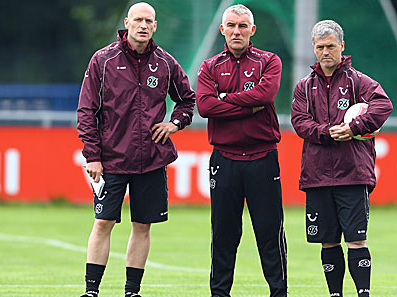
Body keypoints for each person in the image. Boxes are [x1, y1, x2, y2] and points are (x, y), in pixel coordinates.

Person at [76, 2, 195, 297]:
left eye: (149, 21)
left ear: (155, 26)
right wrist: (92, 155)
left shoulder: (165, 62)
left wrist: (175, 124)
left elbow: (187, 100)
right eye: (138, 20)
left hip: (151, 160)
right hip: (112, 160)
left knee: (143, 226)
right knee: (103, 223)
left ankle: (132, 292)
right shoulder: (102, 60)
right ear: (127, 22)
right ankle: (92, 292)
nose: (143, 25)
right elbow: (86, 110)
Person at [291, 20, 392, 297]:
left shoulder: (358, 81)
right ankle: (335, 294)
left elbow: (384, 104)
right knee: (327, 242)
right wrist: (329, 132)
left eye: (331, 46)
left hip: (353, 174)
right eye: (320, 46)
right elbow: (299, 123)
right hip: (317, 175)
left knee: (357, 240)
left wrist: (354, 128)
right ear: (313, 48)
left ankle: (363, 293)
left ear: (342, 46)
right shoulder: (304, 86)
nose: (326, 52)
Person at [196, 4, 287, 297]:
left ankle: (279, 293)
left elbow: (266, 95)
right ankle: (219, 294)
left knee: (269, 233)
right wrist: (246, 106)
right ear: (222, 29)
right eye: (231, 26)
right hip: (225, 160)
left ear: (252, 30)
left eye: (243, 26)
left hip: (263, 158)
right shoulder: (209, 66)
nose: (237, 31)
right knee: (223, 234)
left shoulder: (269, 61)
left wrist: (225, 99)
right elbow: (204, 106)